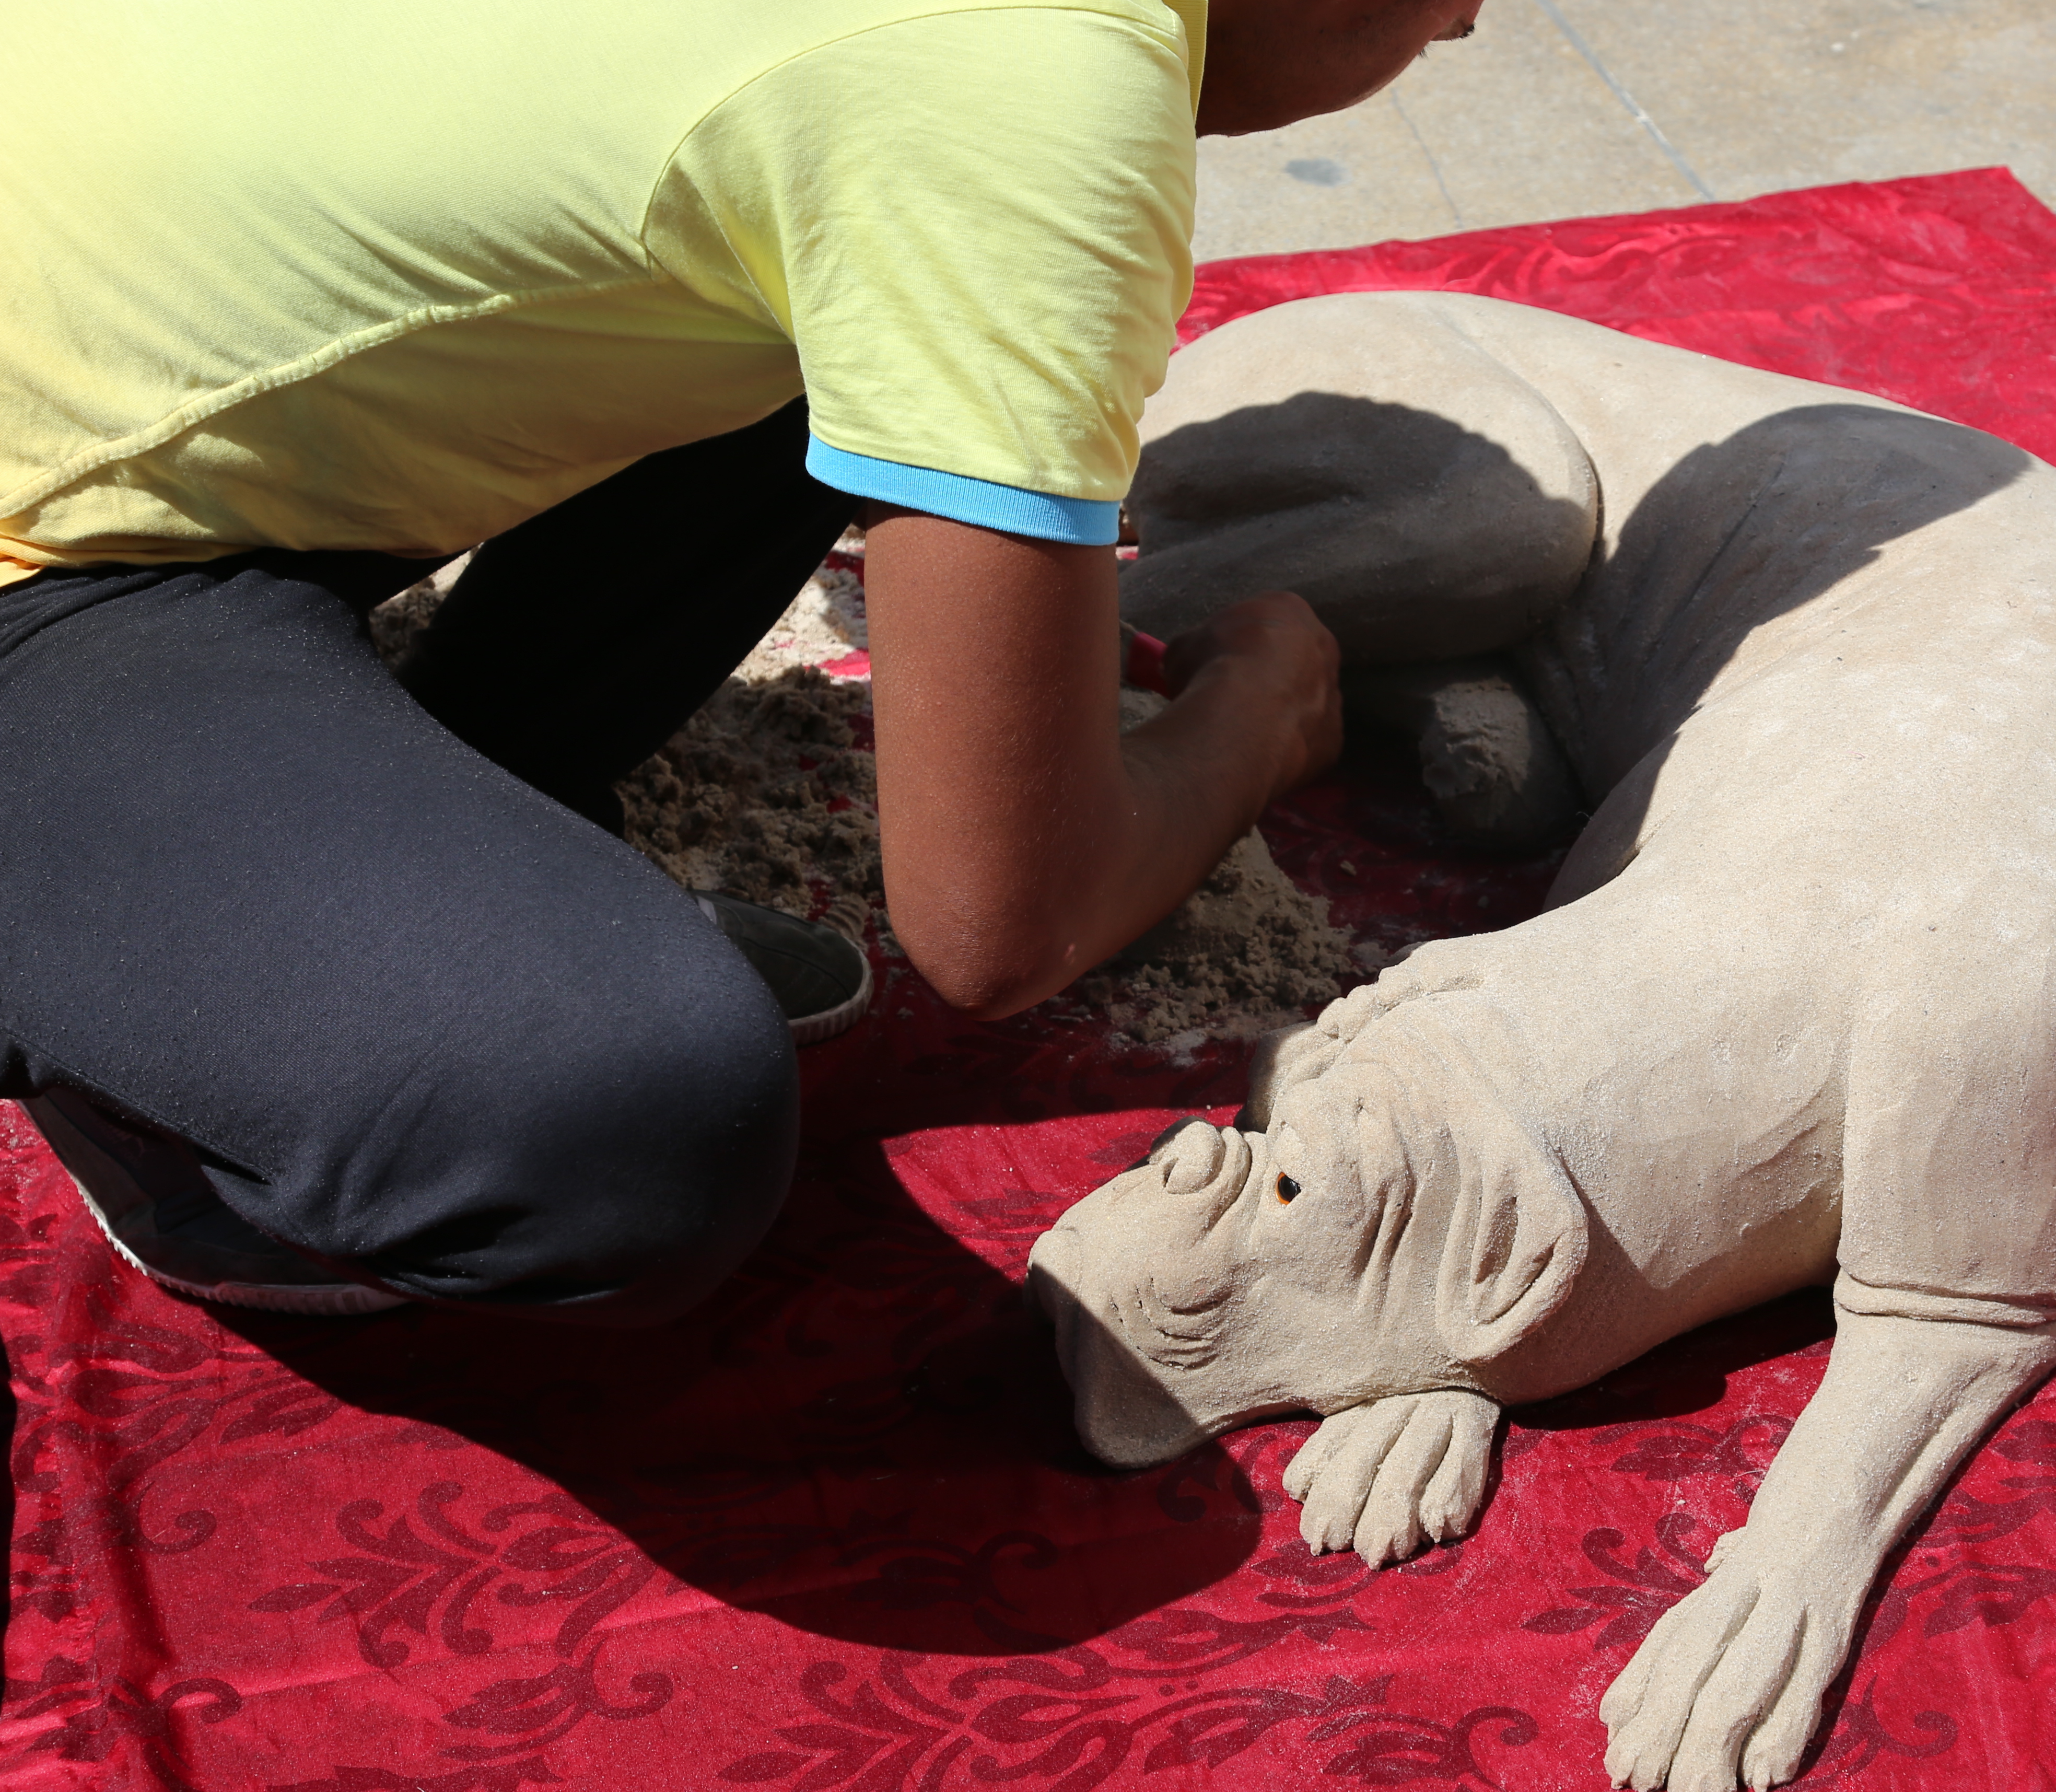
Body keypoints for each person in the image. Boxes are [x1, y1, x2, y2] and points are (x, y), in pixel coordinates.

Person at [0, 0, 1481, 1323]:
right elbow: (1002, 923)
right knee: (622, 1126)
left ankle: (421, 782)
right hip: (46, 551)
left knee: (836, 285)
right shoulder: (1029, 81)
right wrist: (1257, 716)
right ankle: (182, 1077)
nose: (1465, 30)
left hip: (107, 322)